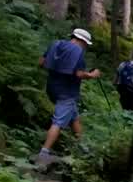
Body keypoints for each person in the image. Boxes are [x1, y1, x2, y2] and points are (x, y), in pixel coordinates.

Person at [38, 28, 101, 159]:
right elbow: (78, 74)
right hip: (67, 92)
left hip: (51, 88)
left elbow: (41, 62)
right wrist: (91, 75)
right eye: (86, 44)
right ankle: (44, 152)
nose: (85, 47)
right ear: (83, 41)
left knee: (74, 117)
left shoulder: (55, 44)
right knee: (58, 122)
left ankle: (83, 147)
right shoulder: (78, 52)